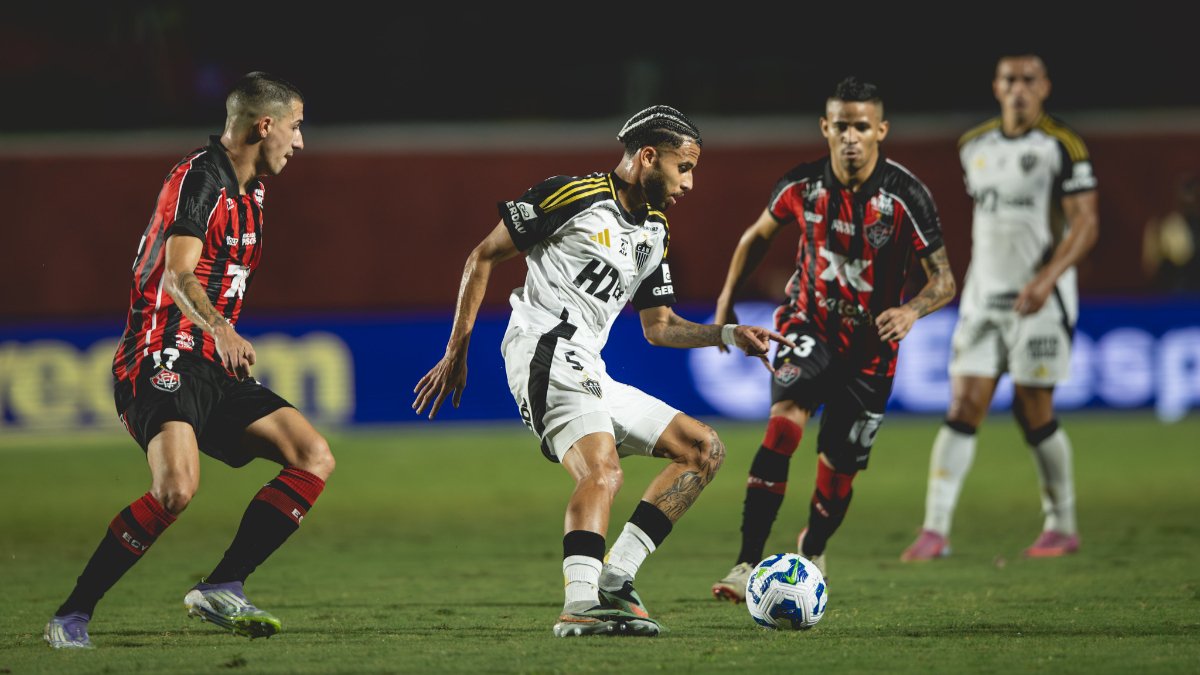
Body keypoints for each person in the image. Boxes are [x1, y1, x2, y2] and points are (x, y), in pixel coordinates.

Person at [412, 105, 792, 637]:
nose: (690, 182)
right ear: (648, 157)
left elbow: (658, 326)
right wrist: (457, 350)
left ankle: (616, 578)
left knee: (702, 450)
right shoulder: (571, 196)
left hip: (588, 364)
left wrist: (726, 335)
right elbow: (482, 257)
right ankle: (579, 605)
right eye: (684, 167)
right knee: (603, 471)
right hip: (542, 348)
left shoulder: (655, 229)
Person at [44, 72, 334, 649]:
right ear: (265, 124)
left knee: (312, 455)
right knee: (175, 489)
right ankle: (71, 615)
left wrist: (219, 337)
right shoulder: (200, 179)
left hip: (212, 361)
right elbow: (177, 275)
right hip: (160, 354)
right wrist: (221, 326)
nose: (300, 143)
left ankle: (224, 584)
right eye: (297, 127)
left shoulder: (251, 193)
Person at [709, 77, 956, 603]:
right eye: (840, 125)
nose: (850, 137)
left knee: (839, 472)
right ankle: (745, 563)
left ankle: (813, 543)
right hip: (808, 326)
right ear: (825, 128)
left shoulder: (906, 197)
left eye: (861, 127)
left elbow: (945, 280)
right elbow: (756, 236)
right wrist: (726, 301)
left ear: (880, 131)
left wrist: (911, 310)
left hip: (871, 351)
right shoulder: (801, 187)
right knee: (781, 432)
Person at [900, 53, 1099, 562]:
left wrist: (1046, 277)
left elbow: (1086, 225)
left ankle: (1062, 525)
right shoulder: (975, 146)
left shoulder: (1063, 146)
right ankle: (934, 530)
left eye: (1029, 80)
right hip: (982, 300)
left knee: (1034, 412)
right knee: (963, 407)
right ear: (996, 86)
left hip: (1042, 303)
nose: (1019, 89)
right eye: (1010, 80)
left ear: (1045, 87)